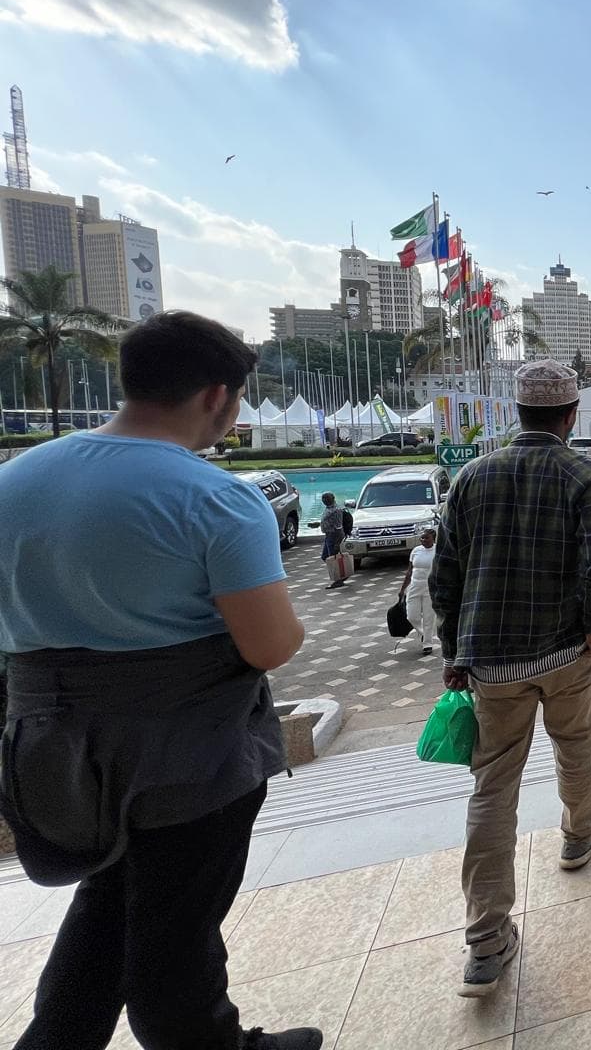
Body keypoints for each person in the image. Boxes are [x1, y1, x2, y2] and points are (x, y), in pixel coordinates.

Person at [0, 312, 319, 1050]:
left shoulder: (15, 482)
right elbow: (270, 645)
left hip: (51, 749)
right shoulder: (215, 498)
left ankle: (55, 1038)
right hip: (185, 756)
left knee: (106, 899)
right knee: (178, 930)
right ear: (218, 395)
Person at [431, 360, 591, 998]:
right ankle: (578, 833)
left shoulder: (472, 476)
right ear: (570, 416)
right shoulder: (585, 474)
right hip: (567, 653)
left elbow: (445, 575)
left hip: (490, 662)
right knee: (576, 747)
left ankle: (486, 941)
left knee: (492, 791)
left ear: (518, 414)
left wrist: (455, 651)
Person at [399, 527, 439, 656]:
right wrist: (402, 589)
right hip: (415, 586)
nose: (423, 540)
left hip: (430, 587)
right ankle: (424, 634)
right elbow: (409, 571)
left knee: (429, 617)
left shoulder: (438, 550)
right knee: (411, 616)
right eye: (422, 538)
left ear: (433, 538)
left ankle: (427, 644)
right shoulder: (416, 551)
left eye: (426, 538)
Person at [319, 491, 352, 589]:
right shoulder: (329, 508)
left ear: (333, 498)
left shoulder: (337, 510)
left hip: (334, 536)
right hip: (328, 535)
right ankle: (341, 576)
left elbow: (338, 526)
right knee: (325, 556)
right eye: (323, 499)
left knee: (333, 559)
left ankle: (338, 580)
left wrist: (338, 542)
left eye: (327, 498)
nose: (325, 500)